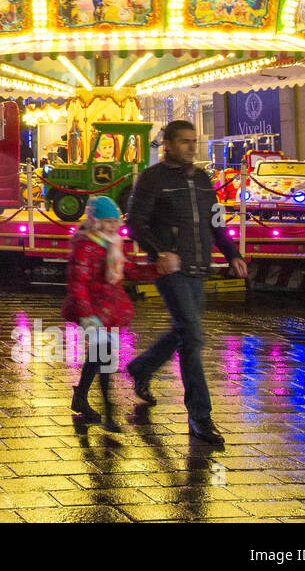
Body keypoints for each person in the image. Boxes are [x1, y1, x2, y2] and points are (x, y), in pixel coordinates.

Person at [125, 119, 248, 447]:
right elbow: (136, 222)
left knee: (185, 331)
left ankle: (142, 366)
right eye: (185, 142)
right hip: (171, 268)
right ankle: (200, 414)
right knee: (193, 337)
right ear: (167, 144)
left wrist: (232, 253)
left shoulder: (204, 180)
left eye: (195, 141)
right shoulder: (153, 179)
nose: (192, 147)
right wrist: (158, 252)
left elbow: (216, 222)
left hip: (199, 265)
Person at [63, 195, 160, 431]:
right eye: (107, 221)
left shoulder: (112, 244)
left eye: (115, 221)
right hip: (94, 312)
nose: (113, 226)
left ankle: (81, 397)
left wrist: (157, 270)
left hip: (110, 309)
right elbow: (77, 283)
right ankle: (108, 412)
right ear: (95, 221)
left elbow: (128, 270)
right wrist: (87, 315)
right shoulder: (86, 246)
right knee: (105, 359)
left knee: (98, 358)